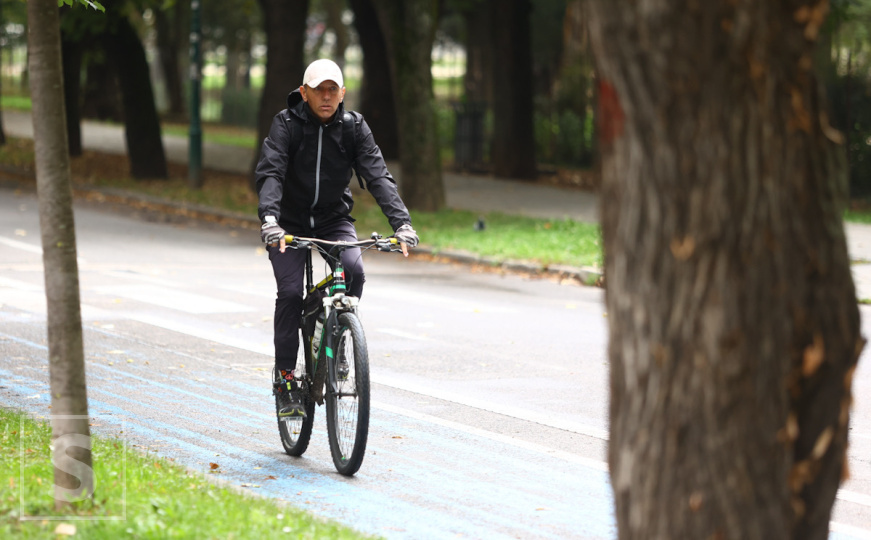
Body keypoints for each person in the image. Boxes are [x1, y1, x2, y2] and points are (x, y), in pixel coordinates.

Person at [255, 58, 418, 418]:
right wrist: (270, 220)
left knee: (354, 273)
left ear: (342, 93)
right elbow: (271, 173)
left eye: (333, 90)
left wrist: (402, 224)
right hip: (287, 222)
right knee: (290, 293)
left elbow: (378, 177)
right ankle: (285, 381)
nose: (326, 97)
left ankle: (337, 331)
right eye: (318, 90)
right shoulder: (286, 125)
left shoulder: (353, 128)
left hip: (332, 219)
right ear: (304, 92)